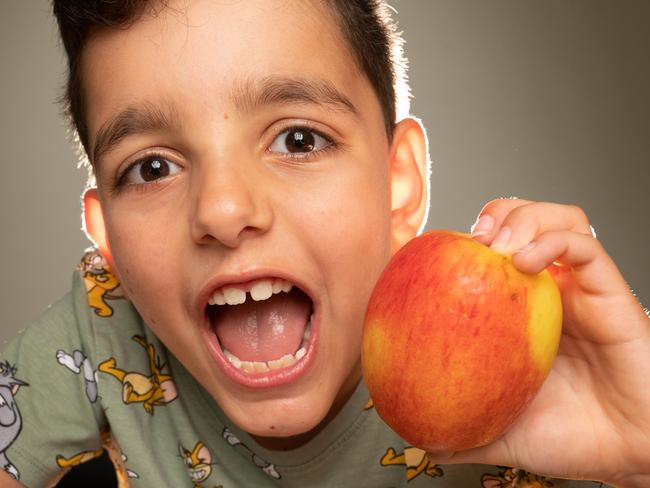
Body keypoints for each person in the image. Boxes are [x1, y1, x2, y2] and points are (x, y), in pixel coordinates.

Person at [1, 1, 648, 487]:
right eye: (152, 168)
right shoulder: (103, 333)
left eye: (299, 140)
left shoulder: (537, 383)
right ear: (107, 237)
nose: (224, 210)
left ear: (398, 185)